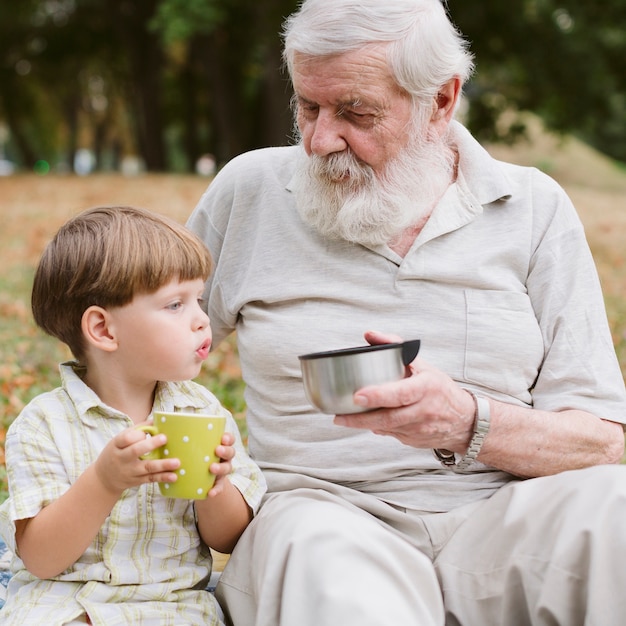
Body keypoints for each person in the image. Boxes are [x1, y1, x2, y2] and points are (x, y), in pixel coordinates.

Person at [187, 0, 626, 624]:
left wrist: (468, 422)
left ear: (441, 101)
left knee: (615, 511)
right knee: (328, 573)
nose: (320, 139)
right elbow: (143, 339)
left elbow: (601, 444)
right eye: (307, 106)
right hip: (324, 515)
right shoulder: (251, 190)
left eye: (356, 112)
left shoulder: (533, 208)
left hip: (501, 521)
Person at [0, 206, 266, 624]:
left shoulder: (200, 411)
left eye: (198, 299)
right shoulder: (43, 425)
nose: (201, 319)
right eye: (175, 304)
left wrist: (218, 485)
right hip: (69, 605)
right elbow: (41, 559)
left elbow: (228, 539)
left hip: (172, 608)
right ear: (104, 330)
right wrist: (103, 481)